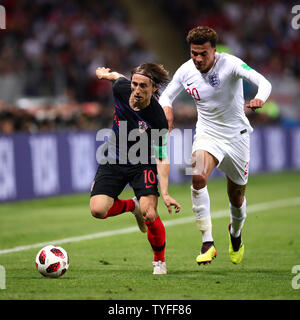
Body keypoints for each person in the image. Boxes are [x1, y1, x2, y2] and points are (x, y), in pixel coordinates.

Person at [159, 26, 272, 265]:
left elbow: (263, 81)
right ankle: (207, 242)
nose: (198, 59)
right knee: (197, 176)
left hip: (237, 136)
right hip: (208, 134)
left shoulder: (230, 63)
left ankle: (236, 233)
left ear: (214, 51)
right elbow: (165, 95)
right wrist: (167, 108)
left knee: (237, 198)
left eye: (203, 54)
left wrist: (260, 97)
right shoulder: (186, 70)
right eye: (193, 53)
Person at [90, 63, 181, 274]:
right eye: (135, 84)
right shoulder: (122, 88)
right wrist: (105, 74)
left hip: (142, 162)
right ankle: (132, 206)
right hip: (113, 158)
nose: (137, 91)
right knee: (97, 210)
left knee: (150, 213)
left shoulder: (158, 118)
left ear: (154, 89)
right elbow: (118, 77)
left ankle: (159, 260)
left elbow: (161, 156)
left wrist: (165, 193)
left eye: (143, 87)